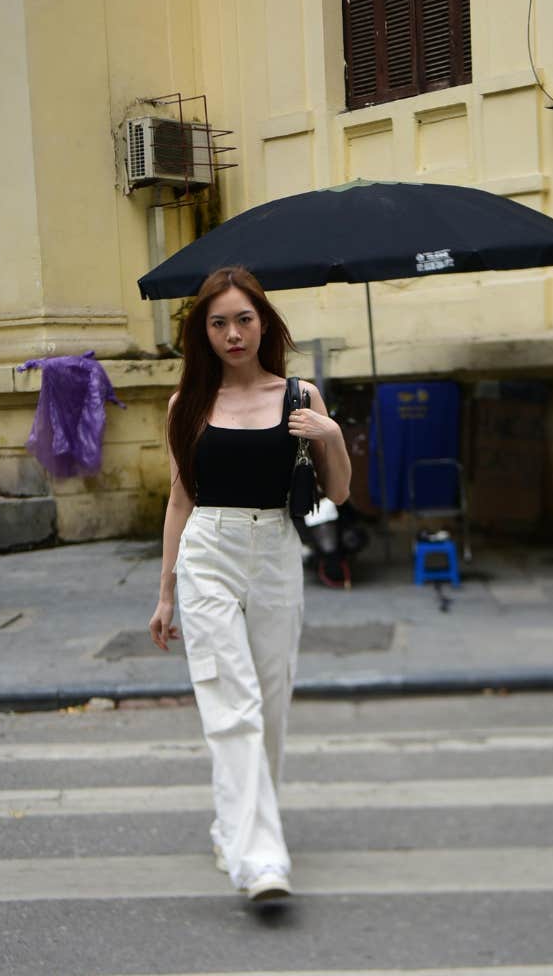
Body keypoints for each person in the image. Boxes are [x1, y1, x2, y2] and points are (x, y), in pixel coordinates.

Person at [149, 266, 352, 901]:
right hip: (208, 550)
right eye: (218, 323)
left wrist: (334, 435)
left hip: (275, 552)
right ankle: (262, 859)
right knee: (228, 701)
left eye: (243, 319)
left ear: (263, 323)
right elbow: (180, 501)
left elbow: (338, 494)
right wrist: (164, 593)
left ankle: (232, 826)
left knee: (269, 702)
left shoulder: (300, 397)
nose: (233, 333)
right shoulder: (189, 404)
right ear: (202, 333)